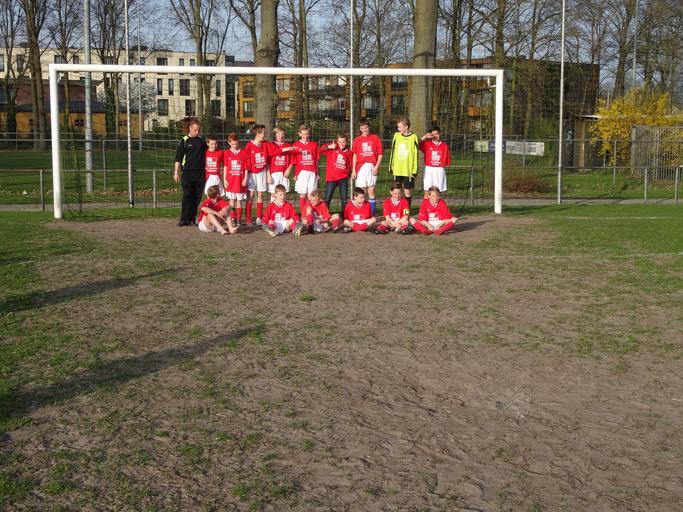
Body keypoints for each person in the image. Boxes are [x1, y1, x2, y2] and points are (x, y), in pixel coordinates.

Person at [244, 124, 291, 225]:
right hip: (252, 174)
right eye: (263, 133)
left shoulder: (265, 144)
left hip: (262, 173)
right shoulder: (249, 145)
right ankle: (248, 218)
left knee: (260, 196)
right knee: (250, 196)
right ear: (258, 134)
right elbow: (246, 161)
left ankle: (259, 218)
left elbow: (274, 151)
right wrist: (246, 175)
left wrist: (286, 149)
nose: (264, 135)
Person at [174, 118, 207, 226]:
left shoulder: (201, 140)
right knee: (187, 196)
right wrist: (176, 172)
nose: (197, 132)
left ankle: (192, 219)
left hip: (200, 173)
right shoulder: (184, 141)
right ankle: (184, 219)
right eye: (195, 130)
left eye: (199, 130)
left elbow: (209, 152)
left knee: (196, 197)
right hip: (187, 172)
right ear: (190, 128)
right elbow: (178, 157)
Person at [351, 119, 383, 216]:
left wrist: (376, 167)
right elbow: (355, 155)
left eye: (366, 128)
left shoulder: (375, 138)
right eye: (362, 128)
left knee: (371, 190)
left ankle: (372, 213)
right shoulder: (357, 140)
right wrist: (353, 170)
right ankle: (361, 212)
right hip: (360, 168)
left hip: (371, 167)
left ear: (369, 127)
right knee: (361, 192)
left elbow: (380, 154)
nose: (364, 130)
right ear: (360, 129)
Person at [389, 117, 419, 209]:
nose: (398, 129)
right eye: (398, 127)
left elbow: (416, 155)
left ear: (406, 127)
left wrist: (414, 169)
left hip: (408, 171)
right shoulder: (396, 136)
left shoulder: (414, 137)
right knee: (396, 192)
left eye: (400, 127)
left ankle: (406, 213)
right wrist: (391, 166)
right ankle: (396, 211)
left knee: (407, 193)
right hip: (397, 170)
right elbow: (392, 152)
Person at [320, 133, 352, 219]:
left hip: (343, 178)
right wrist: (329, 147)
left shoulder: (349, 152)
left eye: (343, 142)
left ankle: (345, 217)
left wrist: (350, 172)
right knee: (327, 198)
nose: (342, 144)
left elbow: (350, 164)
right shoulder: (333, 148)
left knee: (344, 199)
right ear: (337, 142)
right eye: (340, 142)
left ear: (347, 142)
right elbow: (321, 150)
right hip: (332, 177)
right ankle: (325, 216)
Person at [292, 123, 320, 215]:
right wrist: (296, 174)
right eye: (303, 134)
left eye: (307, 134)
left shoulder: (314, 144)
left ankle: (310, 215)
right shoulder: (296, 145)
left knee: (311, 195)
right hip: (302, 173)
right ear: (299, 134)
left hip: (312, 172)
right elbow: (294, 161)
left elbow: (316, 160)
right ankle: (303, 215)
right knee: (302, 194)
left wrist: (317, 173)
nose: (305, 136)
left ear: (309, 134)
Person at [223, 133, 248, 224]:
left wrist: (245, 178)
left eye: (237, 144)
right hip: (231, 180)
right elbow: (225, 166)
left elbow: (246, 167)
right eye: (233, 144)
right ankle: (233, 219)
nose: (235, 146)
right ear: (229, 143)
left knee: (239, 201)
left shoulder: (244, 152)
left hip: (240, 181)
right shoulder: (227, 152)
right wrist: (224, 179)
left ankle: (239, 219)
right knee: (232, 201)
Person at [419, 125, 451, 198]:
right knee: (427, 191)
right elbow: (415, 144)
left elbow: (447, 161)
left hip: (439, 169)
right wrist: (425, 137)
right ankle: (426, 205)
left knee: (438, 193)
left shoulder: (444, 146)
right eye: (433, 134)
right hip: (429, 169)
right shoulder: (427, 144)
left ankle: (437, 205)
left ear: (440, 134)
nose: (435, 136)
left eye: (436, 134)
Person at [267, 126, 293, 201]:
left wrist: (289, 169)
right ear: (275, 135)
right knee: (273, 193)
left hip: (284, 173)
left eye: (282, 134)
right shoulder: (271, 145)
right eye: (278, 134)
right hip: (274, 173)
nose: (281, 136)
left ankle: (283, 208)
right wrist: (268, 175)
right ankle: (273, 207)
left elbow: (292, 159)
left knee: (283, 194)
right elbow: (267, 161)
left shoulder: (288, 145)